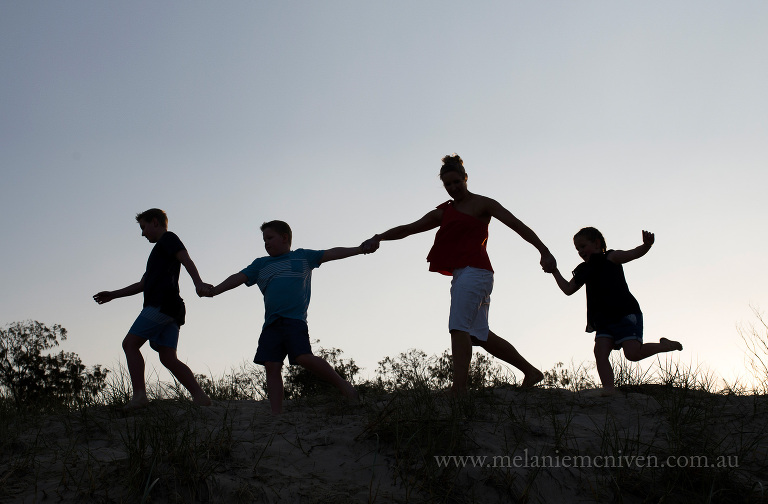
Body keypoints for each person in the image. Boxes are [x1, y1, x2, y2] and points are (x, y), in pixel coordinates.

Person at [360, 154, 556, 394]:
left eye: (457, 182)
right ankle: (531, 372)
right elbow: (409, 228)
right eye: (448, 185)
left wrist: (543, 251)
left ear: (466, 178)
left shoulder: (484, 204)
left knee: (458, 328)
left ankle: (459, 390)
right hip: (463, 274)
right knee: (478, 335)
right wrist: (379, 237)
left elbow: (518, 225)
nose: (453, 188)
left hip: (477, 271)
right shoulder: (444, 212)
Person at [201, 220, 375, 415]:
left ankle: (345, 387)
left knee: (303, 358)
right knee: (271, 366)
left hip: (294, 321)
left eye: (270, 238)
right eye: (264, 240)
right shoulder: (260, 264)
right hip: (271, 324)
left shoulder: (302, 257)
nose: (266, 243)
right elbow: (238, 277)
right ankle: (276, 414)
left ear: (284, 238)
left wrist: (360, 249)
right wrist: (215, 290)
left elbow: (331, 253)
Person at [93, 208, 212, 410]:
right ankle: (200, 397)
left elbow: (185, 258)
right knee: (167, 357)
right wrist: (113, 294)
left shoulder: (168, 239)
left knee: (130, 344)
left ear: (155, 222)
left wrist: (198, 282)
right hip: (173, 309)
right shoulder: (158, 254)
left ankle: (139, 396)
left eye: (143, 227)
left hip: (161, 304)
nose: (142, 233)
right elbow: (142, 285)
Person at [545, 227, 682, 394]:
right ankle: (609, 390)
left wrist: (646, 246)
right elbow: (568, 289)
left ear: (596, 243)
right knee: (600, 353)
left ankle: (665, 346)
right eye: (577, 249)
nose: (580, 252)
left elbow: (633, 254)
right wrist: (554, 271)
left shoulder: (611, 257)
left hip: (625, 313)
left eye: (583, 246)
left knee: (632, 354)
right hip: (603, 319)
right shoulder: (584, 269)